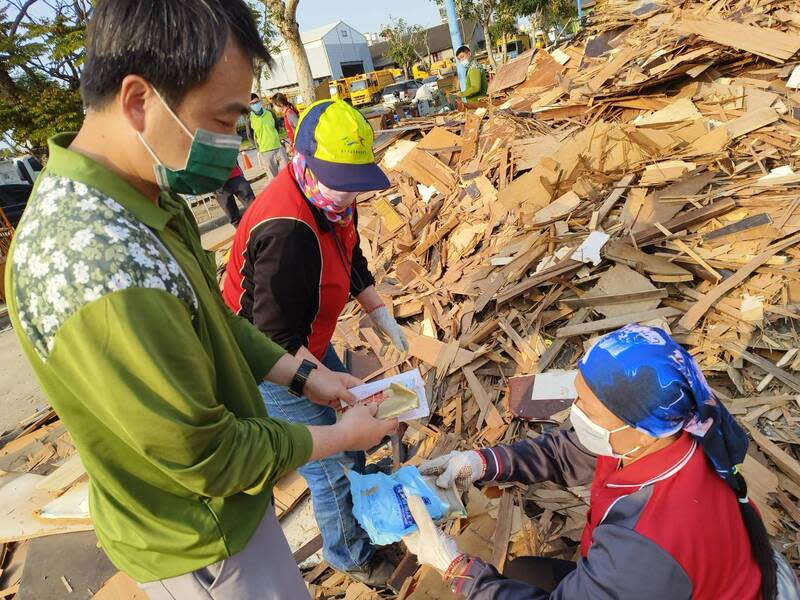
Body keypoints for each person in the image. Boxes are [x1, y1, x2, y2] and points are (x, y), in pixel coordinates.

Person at [4, 2, 397, 599]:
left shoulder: (146, 199)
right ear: (140, 101)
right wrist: (341, 438)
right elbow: (207, 455)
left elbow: (217, 320)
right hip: (198, 537)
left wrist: (304, 378)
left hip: (229, 509)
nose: (235, 140)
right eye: (225, 117)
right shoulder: (100, 265)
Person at [403, 324, 800, 599]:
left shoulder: (644, 548)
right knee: (525, 574)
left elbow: (633, 564)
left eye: (586, 406)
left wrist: (454, 566)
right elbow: (565, 451)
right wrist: (480, 462)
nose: (574, 410)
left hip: (660, 579)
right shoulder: (673, 437)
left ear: (640, 427)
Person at [223, 99, 409, 585]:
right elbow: (271, 338)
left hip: (306, 338)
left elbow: (352, 257)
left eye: (354, 182)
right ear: (300, 157)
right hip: (270, 358)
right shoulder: (287, 229)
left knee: (347, 438)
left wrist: (378, 310)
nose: (348, 195)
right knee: (327, 461)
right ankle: (352, 555)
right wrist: (314, 377)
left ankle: (363, 501)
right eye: (339, 181)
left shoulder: (331, 197)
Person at [249, 92, 288, 179]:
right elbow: (250, 136)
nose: (255, 105)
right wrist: (259, 149)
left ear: (260, 101)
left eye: (256, 102)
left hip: (278, 148)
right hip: (265, 152)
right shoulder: (250, 119)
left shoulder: (270, 113)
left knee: (287, 175)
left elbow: (276, 127)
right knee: (273, 180)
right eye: (252, 104)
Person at [215, 162, 255, 227]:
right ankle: (242, 234)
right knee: (233, 216)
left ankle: (262, 228)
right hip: (217, 184)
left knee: (253, 207)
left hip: (235, 175)